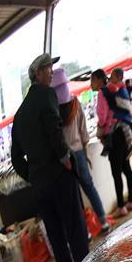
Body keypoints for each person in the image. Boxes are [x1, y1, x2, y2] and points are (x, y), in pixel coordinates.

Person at [10, 54, 90, 262]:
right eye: (47, 69)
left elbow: (16, 158)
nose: (51, 72)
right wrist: (64, 158)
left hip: (40, 185)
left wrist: (33, 175)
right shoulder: (47, 95)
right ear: (36, 74)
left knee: (56, 237)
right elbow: (54, 130)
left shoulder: (20, 115)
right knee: (75, 230)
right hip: (59, 176)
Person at [50, 68, 110, 233]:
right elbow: (84, 133)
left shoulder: (53, 110)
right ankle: (103, 221)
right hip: (79, 153)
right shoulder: (76, 105)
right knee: (89, 188)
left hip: (64, 158)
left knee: (74, 196)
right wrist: (86, 153)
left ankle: (86, 232)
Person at [92, 69, 132, 216]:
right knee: (126, 167)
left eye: (93, 80)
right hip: (124, 132)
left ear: (99, 80)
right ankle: (131, 201)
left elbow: (103, 116)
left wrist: (99, 132)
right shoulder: (116, 90)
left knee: (116, 171)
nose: (91, 84)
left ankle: (121, 207)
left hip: (114, 135)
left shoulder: (103, 93)